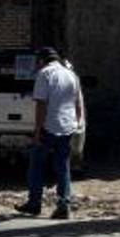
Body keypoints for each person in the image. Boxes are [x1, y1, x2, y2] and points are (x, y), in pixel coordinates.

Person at [15, 47, 84, 219]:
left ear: (41, 61)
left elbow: (41, 105)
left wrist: (37, 131)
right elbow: (78, 103)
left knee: (36, 164)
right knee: (62, 166)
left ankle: (34, 203)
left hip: (49, 126)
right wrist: (77, 124)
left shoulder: (44, 74)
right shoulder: (71, 75)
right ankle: (63, 204)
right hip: (68, 126)